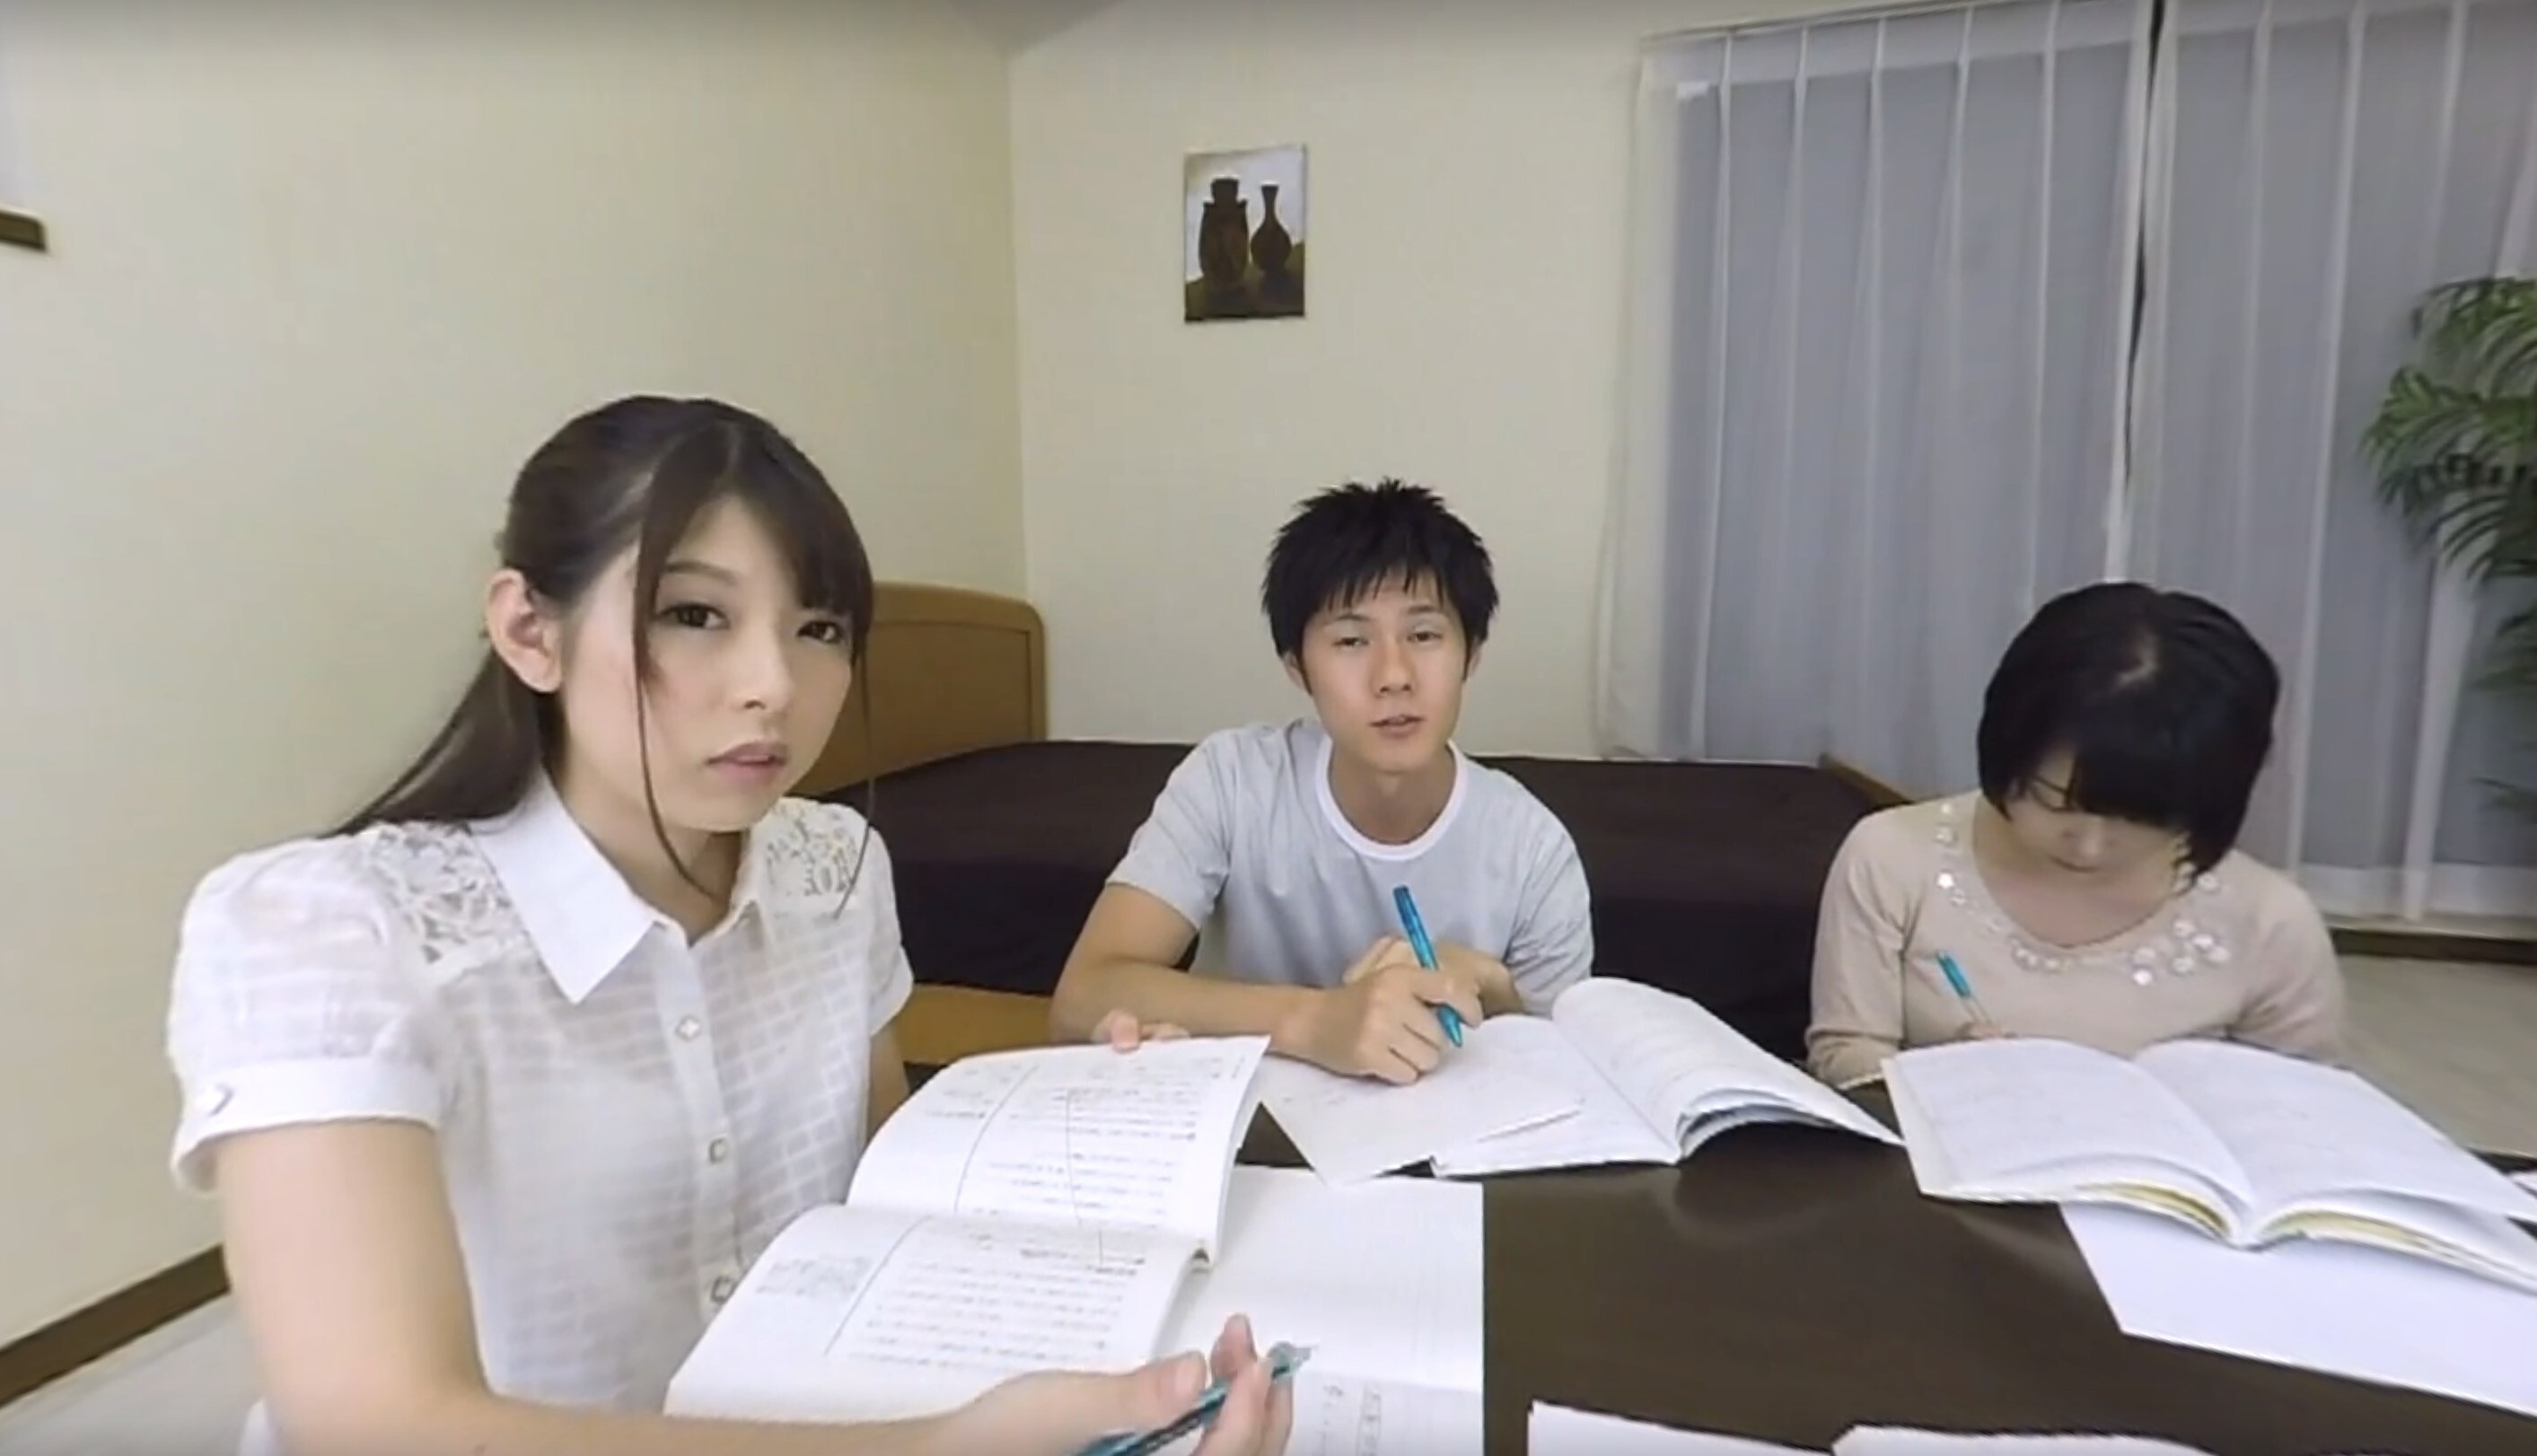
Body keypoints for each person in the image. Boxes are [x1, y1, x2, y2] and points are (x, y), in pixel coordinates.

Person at [162, 396, 1290, 1456]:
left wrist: (1085, 1121)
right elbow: (375, 1425)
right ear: (529, 629)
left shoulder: (834, 864)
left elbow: (878, 1196)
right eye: (694, 614)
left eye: (819, 627)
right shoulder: (328, 930)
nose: (774, 684)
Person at [1049, 478, 1595, 1085]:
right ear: (1297, 668)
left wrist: (1495, 989)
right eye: (1351, 640)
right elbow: (1082, 995)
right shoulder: (1231, 782)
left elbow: (1570, 1082)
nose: (1393, 676)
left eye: (1423, 635)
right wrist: (1313, 1022)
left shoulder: (1535, 851)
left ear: (1472, 653)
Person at [1804, 582, 2348, 1089]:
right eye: (2056, 802)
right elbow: (1845, 1052)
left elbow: (2304, 1111)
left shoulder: (2270, 923)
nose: (2088, 847)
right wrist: (1949, 1080)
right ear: (2009, 744)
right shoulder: (1894, 858)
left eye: (2141, 820)